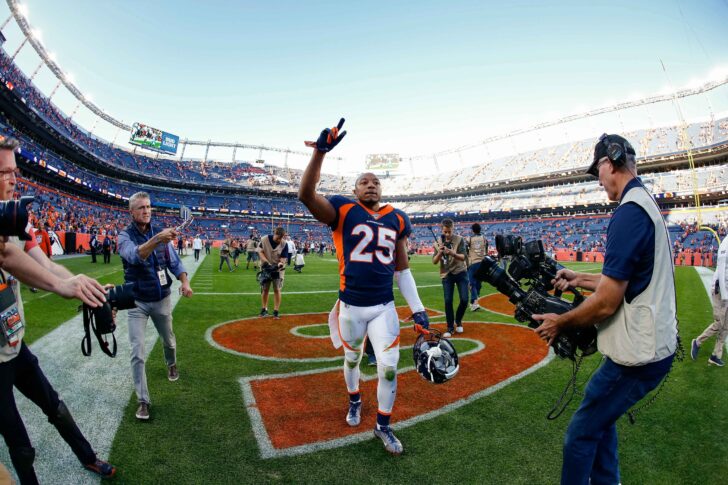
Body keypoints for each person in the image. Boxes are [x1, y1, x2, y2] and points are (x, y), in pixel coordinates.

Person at [533, 134, 678, 485]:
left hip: (638, 357)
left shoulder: (628, 214)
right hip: (648, 349)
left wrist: (561, 322)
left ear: (609, 162)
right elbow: (622, 279)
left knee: (581, 434)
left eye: (597, 170)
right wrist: (578, 278)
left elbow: (609, 302)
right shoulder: (644, 203)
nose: (597, 180)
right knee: (600, 420)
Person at [298, 118, 430, 455]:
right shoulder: (343, 209)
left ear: (381, 190)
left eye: (375, 181)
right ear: (355, 190)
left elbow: (402, 270)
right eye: (363, 181)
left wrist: (418, 309)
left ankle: (383, 426)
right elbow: (305, 195)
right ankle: (355, 400)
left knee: (388, 368)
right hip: (350, 307)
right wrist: (320, 154)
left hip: (383, 306)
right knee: (353, 359)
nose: (370, 184)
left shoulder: (397, 217)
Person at [0, 136, 116, 481]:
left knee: (55, 406)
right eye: (3, 172)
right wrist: (63, 287)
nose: (13, 179)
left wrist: (84, 286)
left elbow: (47, 266)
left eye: (14, 171)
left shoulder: (13, 217)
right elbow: (6, 255)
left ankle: (88, 457)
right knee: (19, 444)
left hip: (13, 343)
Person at [118, 191, 193, 421]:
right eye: (141, 208)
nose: (147, 211)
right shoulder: (124, 237)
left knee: (169, 339)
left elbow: (174, 262)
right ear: (132, 212)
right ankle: (143, 400)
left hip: (161, 298)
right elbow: (134, 256)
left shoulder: (159, 233)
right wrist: (157, 239)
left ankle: (171, 363)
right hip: (137, 301)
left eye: (149, 207)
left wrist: (185, 281)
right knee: (137, 352)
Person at [691, 233, 728, 366]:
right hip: (721, 291)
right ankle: (698, 342)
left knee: (726, 327)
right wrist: (725, 296)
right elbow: (723, 272)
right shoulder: (726, 243)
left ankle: (715, 355)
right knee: (719, 323)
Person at [432, 219, 468, 337]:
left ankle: (458, 320)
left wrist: (453, 253)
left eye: (449, 231)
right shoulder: (437, 242)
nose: (447, 234)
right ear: (442, 230)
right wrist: (439, 252)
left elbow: (463, 257)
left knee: (464, 299)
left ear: (453, 228)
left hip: (460, 272)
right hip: (446, 274)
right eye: (445, 232)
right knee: (448, 301)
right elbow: (434, 261)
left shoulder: (459, 239)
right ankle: (449, 327)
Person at [257, 227, 289, 319]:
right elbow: (260, 252)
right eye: (277, 238)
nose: (279, 240)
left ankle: (276, 311)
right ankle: (264, 309)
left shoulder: (284, 244)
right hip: (266, 268)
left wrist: (280, 264)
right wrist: (267, 263)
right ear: (274, 233)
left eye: (281, 238)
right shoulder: (264, 239)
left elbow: (283, 258)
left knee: (277, 290)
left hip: (277, 270)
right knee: (265, 289)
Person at [467, 223, 488, 311]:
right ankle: (473, 301)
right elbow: (486, 249)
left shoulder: (470, 239)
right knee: (478, 283)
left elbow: (465, 250)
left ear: (472, 230)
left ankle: (475, 302)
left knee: (472, 284)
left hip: (473, 263)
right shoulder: (484, 238)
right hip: (482, 263)